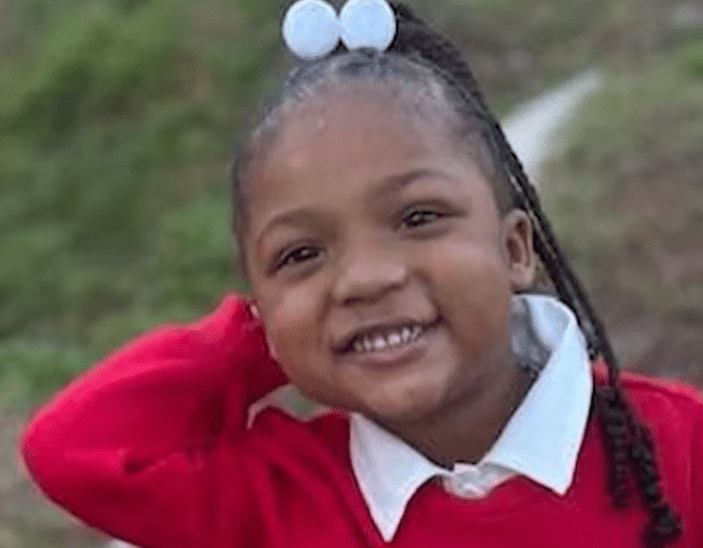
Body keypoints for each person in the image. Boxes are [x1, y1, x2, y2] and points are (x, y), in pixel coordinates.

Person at [20, 1, 703, 547]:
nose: (365, 280)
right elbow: (77, 448)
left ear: (514, 249)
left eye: (418, 217)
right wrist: (275, 333)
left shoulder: (678, 448)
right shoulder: (274, 498)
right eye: (300, 255)